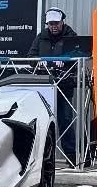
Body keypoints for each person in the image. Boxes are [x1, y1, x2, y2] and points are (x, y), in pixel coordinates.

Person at [32, 9, 83, 165]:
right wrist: (38, 61)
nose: (53, 26)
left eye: (56, 23)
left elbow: (79, 55)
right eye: (50, 24)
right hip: (44, 87)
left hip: (64, 86)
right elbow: (30, 56)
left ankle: (71, 157)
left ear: (63, 22)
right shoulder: (41, 37)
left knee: (65, 120)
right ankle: (40, 158)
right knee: (41, 121)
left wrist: (66, 61)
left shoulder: (71, 37)